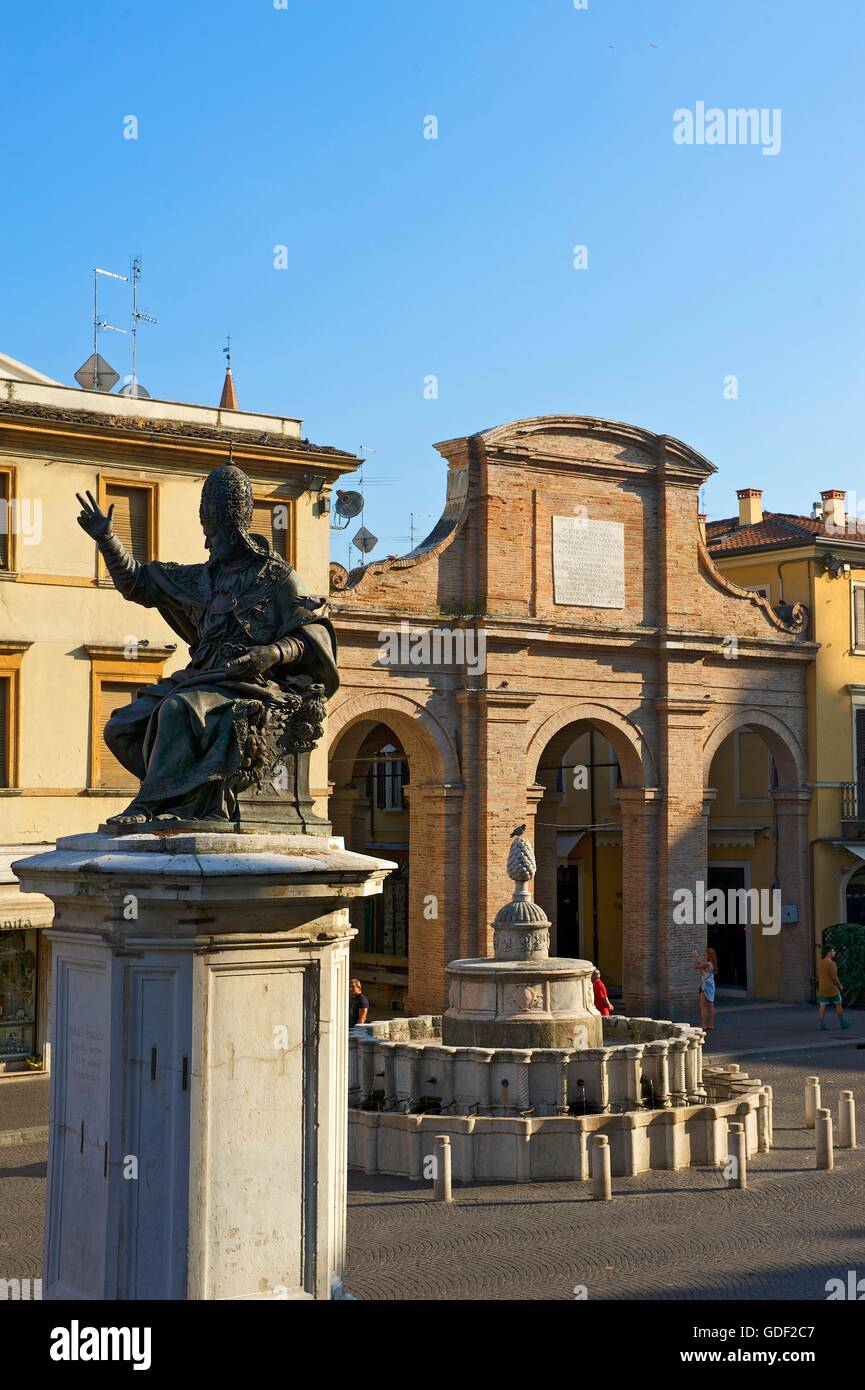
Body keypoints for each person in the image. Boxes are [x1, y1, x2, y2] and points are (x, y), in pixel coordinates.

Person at [74, 466, 338, 826]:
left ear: (236, 532)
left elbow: (312, 637)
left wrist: (271, 653)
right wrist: (108, 539)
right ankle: (182, 796)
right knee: (121, 726)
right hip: (200, 676)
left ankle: (150, 805)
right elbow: (137, 583)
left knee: (179, 710)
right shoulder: (200, 577)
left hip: (249, 680)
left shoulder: (277, 577)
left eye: (213, 534)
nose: (207, 543)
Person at [817, 946, 851, 1030]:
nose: (834, 952)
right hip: (832, 988)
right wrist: (839, 985)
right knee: (838, 1004)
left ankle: (821, 1024)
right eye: (833, 951)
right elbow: (834, 977)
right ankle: (842, 1023)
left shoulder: (821, 962)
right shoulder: (832, 963)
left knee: (822, 1005)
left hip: (822, 988)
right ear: (829, 952)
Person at [692, 946, 717, 1031]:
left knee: (703, 1006)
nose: (704, 955)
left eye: (705, 953)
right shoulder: (712, 964)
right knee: (711, 1006)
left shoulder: (707, 964)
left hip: (705, 987)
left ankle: (703, 1025)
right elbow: (703, 972)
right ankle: (711, 1024)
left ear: (709, 955)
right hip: (711, 986)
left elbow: (695, 967)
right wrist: (698, 960)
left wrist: (695, 957)